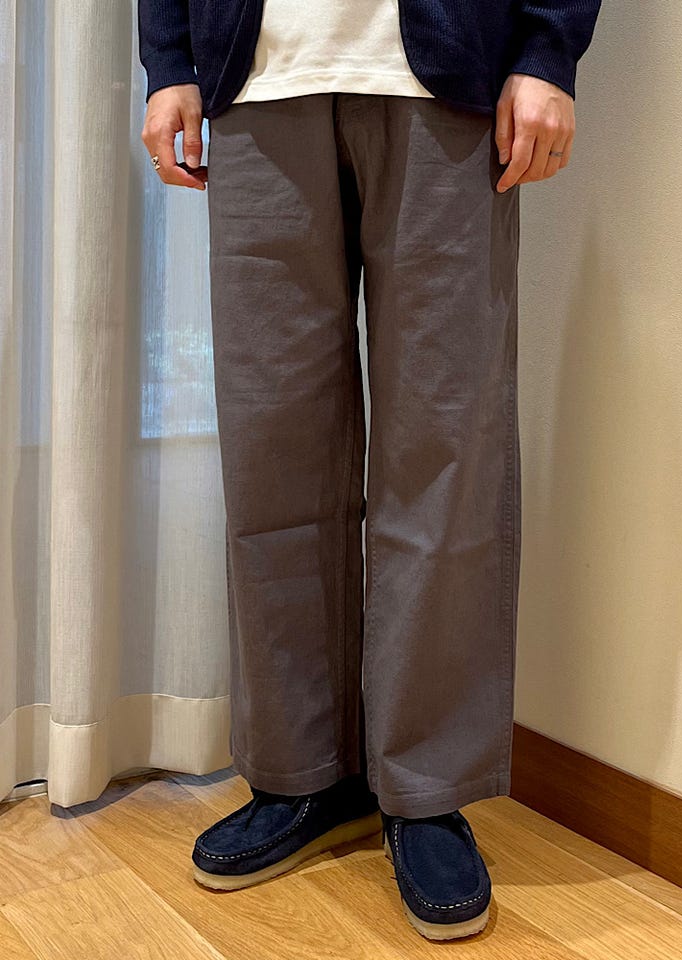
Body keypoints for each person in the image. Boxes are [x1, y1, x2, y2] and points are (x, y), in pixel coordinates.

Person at [137, 0, 602, 942]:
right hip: (257, 77)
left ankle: (425, 788)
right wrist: (168, 58)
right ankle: (303, 775)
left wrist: (549, 49)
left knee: (444, 447)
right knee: (273, 449)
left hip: (448, 75)